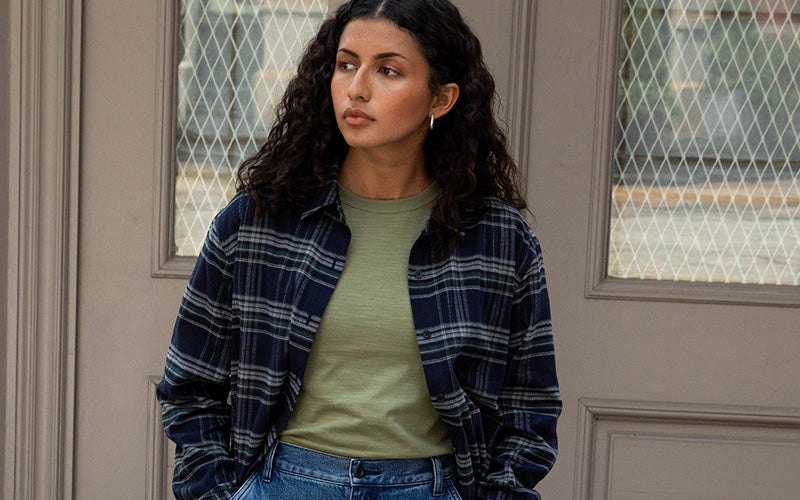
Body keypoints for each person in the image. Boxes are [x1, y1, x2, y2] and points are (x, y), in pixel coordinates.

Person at [156, 0, 561, 498]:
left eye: (388, 70)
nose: (357, 87)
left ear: (441, 98)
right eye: (346, 64)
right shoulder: (258, 222)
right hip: (285, 484)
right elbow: (190, 387)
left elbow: (531, 407)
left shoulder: (498, 240)